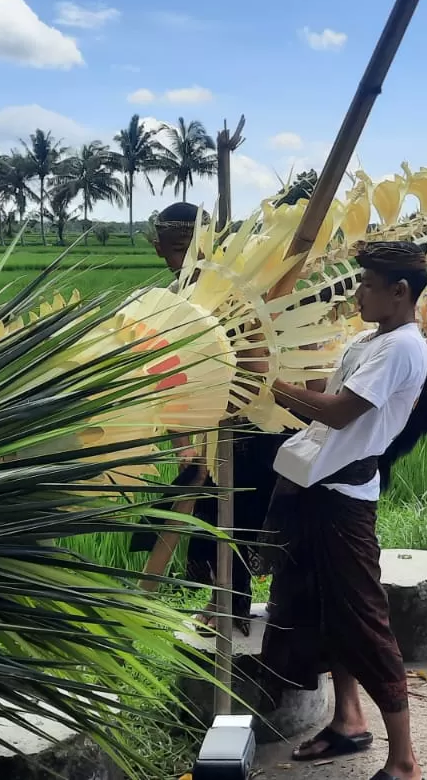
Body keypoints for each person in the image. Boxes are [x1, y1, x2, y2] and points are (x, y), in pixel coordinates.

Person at [261, 240, 427, 780]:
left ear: (399, 291)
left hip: (344, 501)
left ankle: (404, 759)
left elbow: (336, 413)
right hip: (318, 488)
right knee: (326, 612)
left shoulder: (403, 347)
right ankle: (348, 721)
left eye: (368, 284)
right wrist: (275, 351)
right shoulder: (369, 339)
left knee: (363, 620)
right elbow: (324, 391)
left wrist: (266, 382)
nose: (358, 293)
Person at [143, 202, 281, 632]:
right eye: (167, 249)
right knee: (209, 520)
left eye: (182, 247)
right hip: (199, 427)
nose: (172, 259)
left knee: (240, 517)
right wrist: (182, 435)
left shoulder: (236, 298)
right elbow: (165, 372)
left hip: (245, 426)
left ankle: (235, 605)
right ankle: (222, 601)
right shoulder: (172, 302)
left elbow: (257, 366)